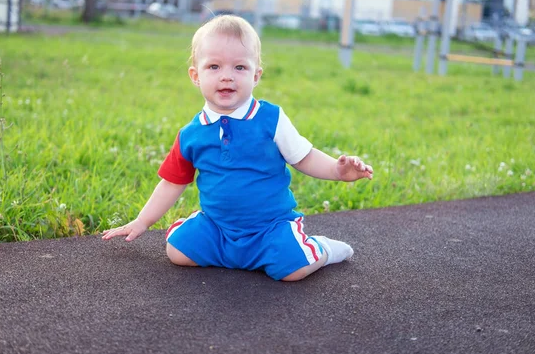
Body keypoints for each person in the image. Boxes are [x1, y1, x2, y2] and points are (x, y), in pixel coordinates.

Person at [102, 15, 373, 281]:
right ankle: (233, 251)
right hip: (219, 227)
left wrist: (337, 171)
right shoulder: (191, 134)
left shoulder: (271, 118)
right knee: (177, 252)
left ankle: (323, 249)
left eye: (239, 68)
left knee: (293, 269)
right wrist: (142, 221)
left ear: (256, 75)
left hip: (270, 227)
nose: (227, 77)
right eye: (214, 67)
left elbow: (304, 158)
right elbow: (172, 183)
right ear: (196, 76)